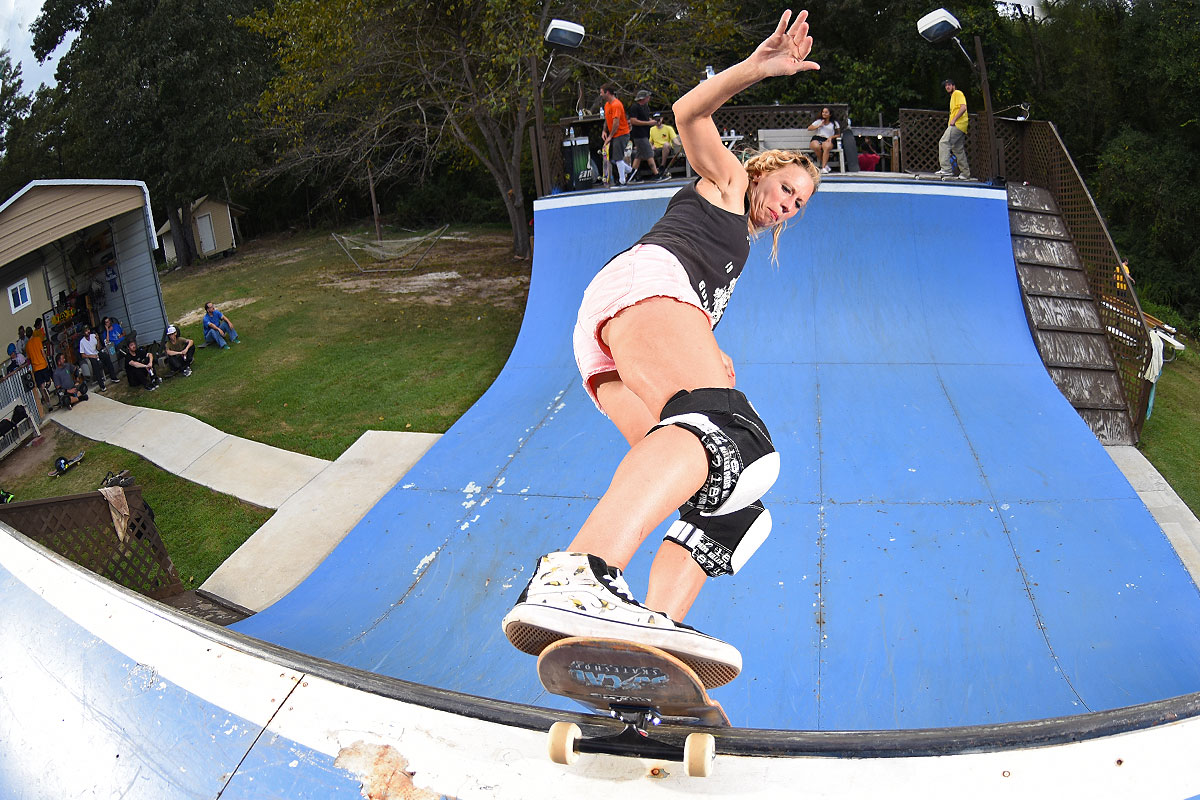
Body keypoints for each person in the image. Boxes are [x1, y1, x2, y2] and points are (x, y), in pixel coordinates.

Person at [502, 9, 822, 688]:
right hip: (640, 285)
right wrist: (756, 70)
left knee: (728, 504)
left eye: (801, 205)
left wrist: (706, 343)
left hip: (615, 333)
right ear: (763, 174)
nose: (789, 206)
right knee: (728, 434)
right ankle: (578, 576)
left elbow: (681, 312)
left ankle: (649, 645)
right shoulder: (728, 182)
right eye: (788, 189)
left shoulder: (726, 257)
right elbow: (687, 113)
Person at [937, 78, 971, 179]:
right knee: (958, 149)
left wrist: (954, 120)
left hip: (958, 124)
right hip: (961, 125)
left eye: (949, 85)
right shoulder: (953, 97)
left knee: (943, 142)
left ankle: (946, 169)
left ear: (953, 86)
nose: (947, 87)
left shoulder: (957, 93)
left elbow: (963, 107)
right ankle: (965, 173)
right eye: (946, 85)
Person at [627, 90, 665, 182]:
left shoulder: (645, 107)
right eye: (647, 97)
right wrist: (648, 123)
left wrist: (654, 122)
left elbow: (647, 118)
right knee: (649, 153)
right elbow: (633, 121)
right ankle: (656, 174)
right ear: (642, 98)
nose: (649, 98)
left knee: (639, 155)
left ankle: (632, 174)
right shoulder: (635, 107)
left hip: (645, 134)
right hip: (639, 135)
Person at [600, 83, 632, 186]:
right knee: (613, 158)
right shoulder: (607, 105)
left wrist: (610, 137)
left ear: (607, 92)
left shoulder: (616, 104)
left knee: (618, 157)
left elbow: (616, 123)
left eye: (602, 92)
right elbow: (607, 119)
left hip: (621, 133)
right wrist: (604, 131)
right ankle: (629, 170)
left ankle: (622, 180)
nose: (601, 95)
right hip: (614, 134)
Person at [806, 106, 840, 173]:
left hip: (828, 139)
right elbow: (809, 128)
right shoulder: (819, 121)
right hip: (818, 137)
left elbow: (838, 134)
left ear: (830, 114)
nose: (824, 114)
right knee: (816, 146)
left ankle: (823, 167)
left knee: (826, 147)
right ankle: (825, 164)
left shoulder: (834, 123)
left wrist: (831, 137)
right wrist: (818, 126)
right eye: (823, 112)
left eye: (826, 112)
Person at [77, 324, 108, 392]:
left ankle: (113, 376)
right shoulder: (82, 342)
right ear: (83, 333)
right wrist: (91, 356)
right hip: (89, 356)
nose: (88, 331)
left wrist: (98, 340)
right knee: (95, 365)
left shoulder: (93, 336)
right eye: (86, 331)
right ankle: (102, 385)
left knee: (106, 356)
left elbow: (98, 348)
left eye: (88, 330)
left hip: (96, 353)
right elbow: (82, 355)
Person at [26, 318, 50, 389]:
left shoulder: (27, 346)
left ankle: (44, 393)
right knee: (48, 381)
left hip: (36, 368)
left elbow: (29, 358)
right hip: (43, 364)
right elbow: (42, 352)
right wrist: (47, 362)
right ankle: (47, 388)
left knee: (41, 384)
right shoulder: (38, 340)